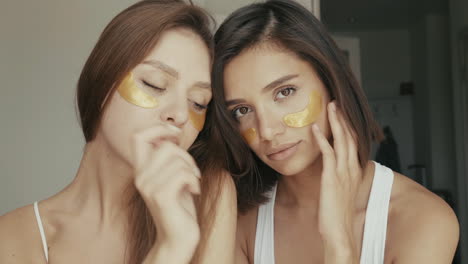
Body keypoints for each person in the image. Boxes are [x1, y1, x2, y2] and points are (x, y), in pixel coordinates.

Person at [209, 0, 459, 263]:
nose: (267, 131)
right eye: (242, 110)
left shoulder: (422, 218)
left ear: (331, 82)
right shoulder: (241, 220)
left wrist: (338, 241)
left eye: (285, 92)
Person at [0, 1, 236, 263]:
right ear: (104, 82)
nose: (180, 115)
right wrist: (172, 247)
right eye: (154, 84)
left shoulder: (208, 194)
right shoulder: (15, 236)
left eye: (198, 102)